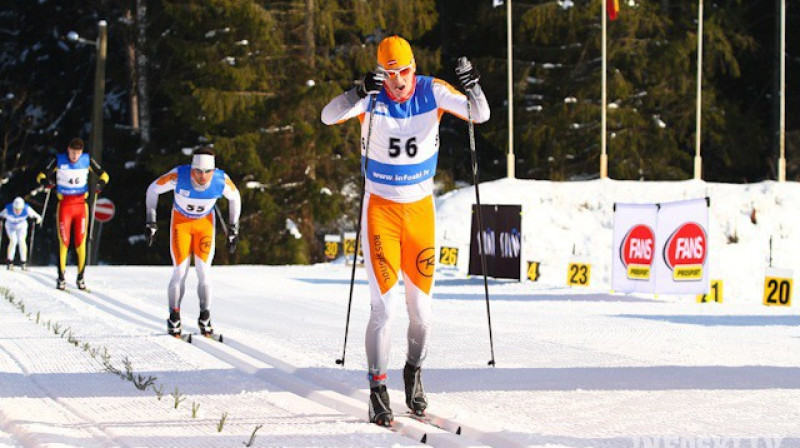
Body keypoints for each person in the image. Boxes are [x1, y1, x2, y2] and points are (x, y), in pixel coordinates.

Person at [321, 35, 490, 426]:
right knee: (384, 309)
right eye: (392, 73)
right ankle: (377, 389)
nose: (399, 81)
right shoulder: (374, 97)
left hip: (419, 213)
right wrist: (358, 90)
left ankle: (413, 372)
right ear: (383, 72)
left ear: (415, 68)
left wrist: (473, 84)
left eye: (406, 71)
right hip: (380, 211)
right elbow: (328, 116)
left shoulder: (432, 91)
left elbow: (478, 115)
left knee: (422, 313)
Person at [145, 147, 241, 338]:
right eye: (198, 171)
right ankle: (174, 316)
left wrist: (233, 228)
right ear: (191, 169)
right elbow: (153, 189)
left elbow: (235, 198)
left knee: (204, 272)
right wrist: (151, 220)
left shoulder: (221, 180)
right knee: (180, 271)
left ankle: (205, 316)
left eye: (207, 172)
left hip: (204, 224)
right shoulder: (178, 175)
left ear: (213, 171)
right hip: (181, 223)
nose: (203, 177)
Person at [36, 138, 109, 290]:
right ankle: (61, 278)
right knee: (64, 242)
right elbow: (41, 176)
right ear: (68, 150)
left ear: (81, 152)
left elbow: (104, 175)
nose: (75, 156)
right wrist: (47, 183)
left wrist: (100, 185)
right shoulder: (59, 160)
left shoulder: (87, 160)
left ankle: (80, 278)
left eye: (78, 153)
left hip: (81, 207)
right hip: (65, 206)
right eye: (72, 153)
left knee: (80, 242)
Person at [0, 197, 42, 270]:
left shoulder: (26, 208)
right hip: (10, 226)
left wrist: (36, 219)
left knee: (21, 241)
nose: (18, 211)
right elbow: (1, 214)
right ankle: (10, 261)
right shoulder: (8, 208)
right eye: (16, 209)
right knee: (13, 241)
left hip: (21, 226)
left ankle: (23, 262)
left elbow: (38, 217)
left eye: (19, 209)